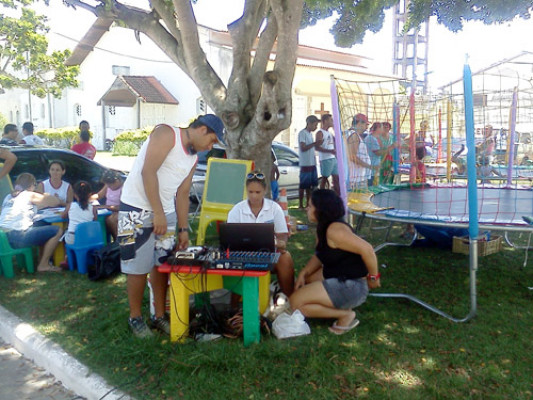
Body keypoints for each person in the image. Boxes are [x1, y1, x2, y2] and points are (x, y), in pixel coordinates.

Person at [118, 114, 225, 338]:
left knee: (163, 264)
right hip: (134, 210)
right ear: (202, 130)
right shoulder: (166, 133)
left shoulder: (193, 159)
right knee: (136, 266)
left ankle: (159, 315)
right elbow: (147, 172)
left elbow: (183, 193)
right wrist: (157, 212)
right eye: (212, 140)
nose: (210, 147)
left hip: (166, 214)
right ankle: (135, 317)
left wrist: (183, 229)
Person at [289, 189, 380, 335]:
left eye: (310, 205)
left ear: (321, 209)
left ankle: (345, 315)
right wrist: (304, 273)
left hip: (353, 286)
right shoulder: (323, 227)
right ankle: (339, 305)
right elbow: (321, 255)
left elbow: (368, 250)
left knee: (295, 303)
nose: (307, 208)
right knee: (306, 281)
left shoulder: (335, 230)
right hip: (340, 277)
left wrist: (374, 277)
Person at [227, 171, 295, 296]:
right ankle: (236, 302)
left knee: (285, 258)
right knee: (235, 263)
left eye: (257, 192)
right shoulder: (237, 210)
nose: (254, 196)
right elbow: (230, 239)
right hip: (243, 255)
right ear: (246, 191)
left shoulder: (274, 208)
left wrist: (279, 243)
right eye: (250, 192)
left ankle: (290, 298)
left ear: (265, 190)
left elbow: (282, 236)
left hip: (269, 254)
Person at [0, 173, 63, 272]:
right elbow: (55, 202)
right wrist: (43, 194)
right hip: (19, 236)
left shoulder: (8, 197)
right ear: (31, 185)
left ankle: (39, 259)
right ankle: (43, 265)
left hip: (4, 237)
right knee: (57, 231)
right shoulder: (28, 194)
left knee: (41, 226)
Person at [346, 114, 374, 190]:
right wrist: (368, 166)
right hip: (355, 179)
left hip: (356, 177)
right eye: (366, 125)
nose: (366, 128)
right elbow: (352, 157)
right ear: (359, 123)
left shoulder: (350, 134)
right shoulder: (353, 135)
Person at [298, 115, 319, 209]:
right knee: (303, 185)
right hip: (305, 163)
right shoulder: (302, 133)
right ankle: (300, 204)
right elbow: (303, 148)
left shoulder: (310, 134)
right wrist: (314, 144)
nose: (316, 127)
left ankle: (308, 204)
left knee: (310, 186)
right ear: (309, 123)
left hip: (312, 163)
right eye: (315, 125)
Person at [96, 170, 124, 240]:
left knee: (111, 220)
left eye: (110, 185)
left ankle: (117, 239)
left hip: (119, 211)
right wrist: (88, 198)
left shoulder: (124, 188)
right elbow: (99, 195)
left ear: (117, 181)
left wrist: (106, 207)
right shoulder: (107, 186)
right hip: (107, 210)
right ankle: (103, 240)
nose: (109, 187)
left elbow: (122, 207)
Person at [315, 113, 340, 195]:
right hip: (326, 159)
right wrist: (329, 151)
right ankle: (321, 196)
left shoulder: (330, 133)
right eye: (331, 120)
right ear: (325, 121)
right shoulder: (320, 133)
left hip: (333, 158)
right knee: (325, 179)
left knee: (336, 178)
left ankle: (337, 196)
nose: (332, 122)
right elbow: (317, 147)